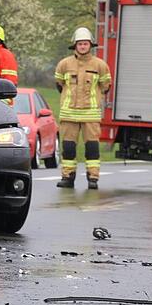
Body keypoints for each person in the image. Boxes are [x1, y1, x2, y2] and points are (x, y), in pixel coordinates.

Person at [54, 27, 112, 190]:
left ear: (90, 45)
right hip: (69, 114)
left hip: (90, 114)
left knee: (92, 148)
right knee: (69, 148)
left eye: (85, 44)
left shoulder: (100, 65)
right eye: (80, 44)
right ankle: (67, 177)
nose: (83, 46)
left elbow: (106, 86)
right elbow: (59, 84)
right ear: (75, 45)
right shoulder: (64, 64)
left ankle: (92, 178)